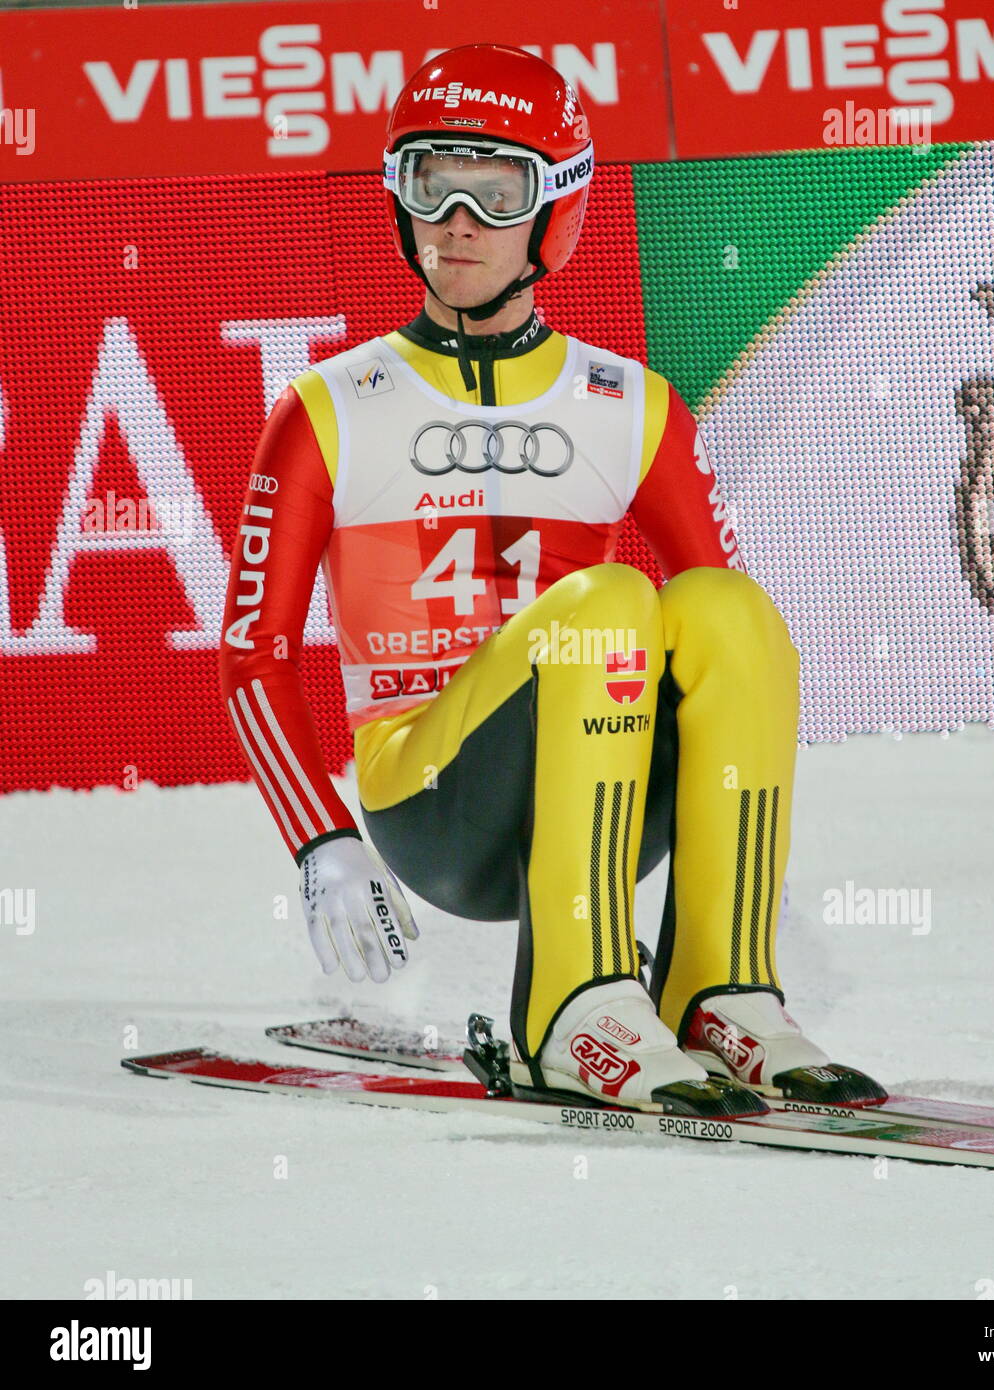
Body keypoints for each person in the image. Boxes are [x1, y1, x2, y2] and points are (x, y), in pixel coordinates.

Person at [220, 44, 874, 1115]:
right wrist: (322, 841)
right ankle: (566, 1005)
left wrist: (744, 846)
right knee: (610, 599)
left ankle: (720, 985)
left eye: (498, 185)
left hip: (613, 788)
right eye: (433, 181)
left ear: (557, 209)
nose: (460, 218)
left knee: (727, 608)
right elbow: (253, 649)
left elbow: (731, 662)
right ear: (399, 196)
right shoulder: (328, 407)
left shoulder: (631, 404)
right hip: (434, 802)